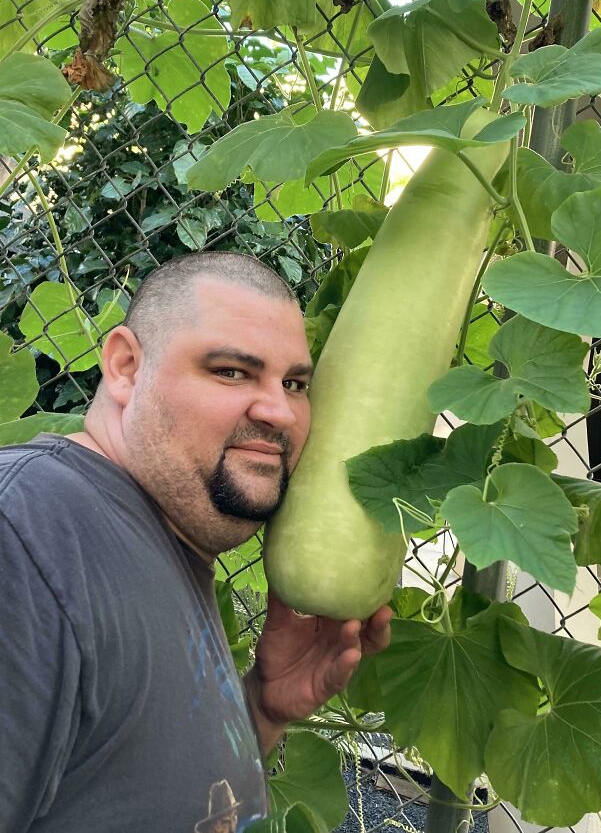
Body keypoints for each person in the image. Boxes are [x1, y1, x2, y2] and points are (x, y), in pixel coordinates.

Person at [0, 252, 392, 833]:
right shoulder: (26, 530)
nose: (278, 411)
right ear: (126, 367)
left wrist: (259, 706)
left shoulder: (157, 541)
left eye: (295, 383)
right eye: (231, 371)